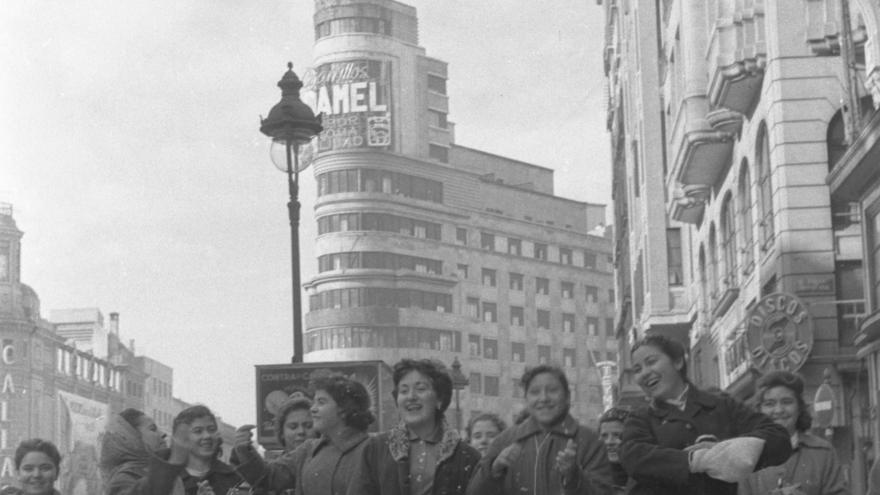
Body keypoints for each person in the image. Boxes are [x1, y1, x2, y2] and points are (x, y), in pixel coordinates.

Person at [619, 335, 792, 495]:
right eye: (637, 369)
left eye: (651, 361)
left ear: (678, 361)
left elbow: (778, 438)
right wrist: (695, 460)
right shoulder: (641, 418)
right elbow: (634, 456)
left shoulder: (721, 405)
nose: (644, 373)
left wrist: (727, 450)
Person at [466, 365, 614, 495]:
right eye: (535, 392)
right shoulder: (505, 441)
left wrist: (574, 477)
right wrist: (493, 470)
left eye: (552, 390)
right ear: (526, 399)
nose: (543, 398)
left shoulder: (589, 441)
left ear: (568, 397)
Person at [347, 358, 480, 495]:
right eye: (404, 391)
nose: (411, 397)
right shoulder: (376, 449)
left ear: (440, 399)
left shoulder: (466, 456)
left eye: (420, 389)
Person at [235, 374, 374, 494]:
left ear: (344, 408)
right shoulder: (308, 450)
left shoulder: (372, 449)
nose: (313, 409)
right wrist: (245, 451)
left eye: (321, 402)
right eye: (314, 402)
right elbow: (267, 477)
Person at [738, 371, 848, 495]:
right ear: (759, 410)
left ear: (800, 407)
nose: (778, 410)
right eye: (770, 404)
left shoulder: (823, 453)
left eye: (786, 402)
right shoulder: (747, 458)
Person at [100, 408, 190, 495]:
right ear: (133, 437)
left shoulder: (173, 477)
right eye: (153, 429)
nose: (163, 434)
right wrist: (174, 461)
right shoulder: (123, 479)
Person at [173, 405, 243, 495]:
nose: (207, 436)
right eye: (198, 431)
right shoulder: (169, 480)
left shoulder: (233, 477)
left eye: (211, 430)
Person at [598, 407, 630, 492]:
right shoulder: (593, 478)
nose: (609, 442)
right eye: (604, 436)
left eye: (617, 435)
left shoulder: (647, 477)